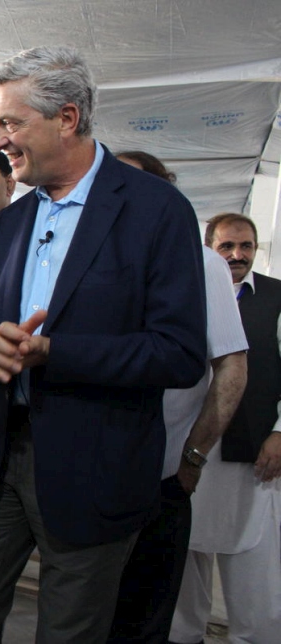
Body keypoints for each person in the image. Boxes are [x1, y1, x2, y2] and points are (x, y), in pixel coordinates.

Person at [0, 46, 207, 643]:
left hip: (96, 470)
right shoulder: (12, 220)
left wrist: (53, 351)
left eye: (11, 123)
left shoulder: (157, 211)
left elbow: (180, 353)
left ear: (66, 118)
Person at [106, 152, 248, 644]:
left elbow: (231, 364)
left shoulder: (203, 260)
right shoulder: (87, 253)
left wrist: (192, 457)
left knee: (143, 613)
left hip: (161, 474)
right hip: (90, 470)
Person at [170, 213, 281, 644]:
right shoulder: (185, 292)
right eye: (227, 247)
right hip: (189, 444)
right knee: (185, 552)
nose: (237, 255)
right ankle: (182, 635)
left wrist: (279, 432)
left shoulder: (275, 296)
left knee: (254, 556)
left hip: (252, 450)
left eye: (246, 246)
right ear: (208, 249)